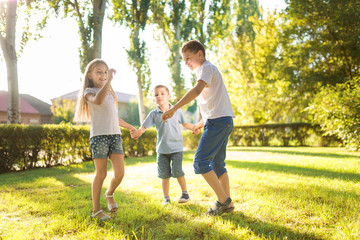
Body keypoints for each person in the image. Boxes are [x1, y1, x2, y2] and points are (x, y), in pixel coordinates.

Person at [161, 40, 235, 216]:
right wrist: (201, 123)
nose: (186, 62)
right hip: (221, 121)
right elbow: (213, 103)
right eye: (184, 60)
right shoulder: (207, 70)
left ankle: (223, 201)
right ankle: (228, 204)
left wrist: (173, 108)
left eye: (188, 58)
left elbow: (196, 91)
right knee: (218, 164)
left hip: (218, 122)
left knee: (200, 162)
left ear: (200, 54)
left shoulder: (206, 68)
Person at [74, 59, 136, 221]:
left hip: (115, 136)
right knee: (101, 173)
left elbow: (114, 117)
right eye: (99, 72)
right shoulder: (89, 91)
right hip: (99, 137)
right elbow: (98, 101)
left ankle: (109, 193)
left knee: (120, 173)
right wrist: (109, 81)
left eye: (105, 72)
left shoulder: (110, 92)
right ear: (90, 75)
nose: (103, 75)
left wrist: (130, 127)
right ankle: (96, 210)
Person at [132, 85, 198, 205]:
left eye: (162, 93)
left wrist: (194, 128)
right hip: (162, 150)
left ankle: (185, 193)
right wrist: (138, 132)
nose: (159, 96)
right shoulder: (153, 114)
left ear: (169, 96)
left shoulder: (176, 110)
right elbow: (143, 127)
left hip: (176, 148)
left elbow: (185, 123)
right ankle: (166, 198)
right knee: (164, 175)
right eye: (156, 94)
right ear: (153, 99)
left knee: (177, 171)